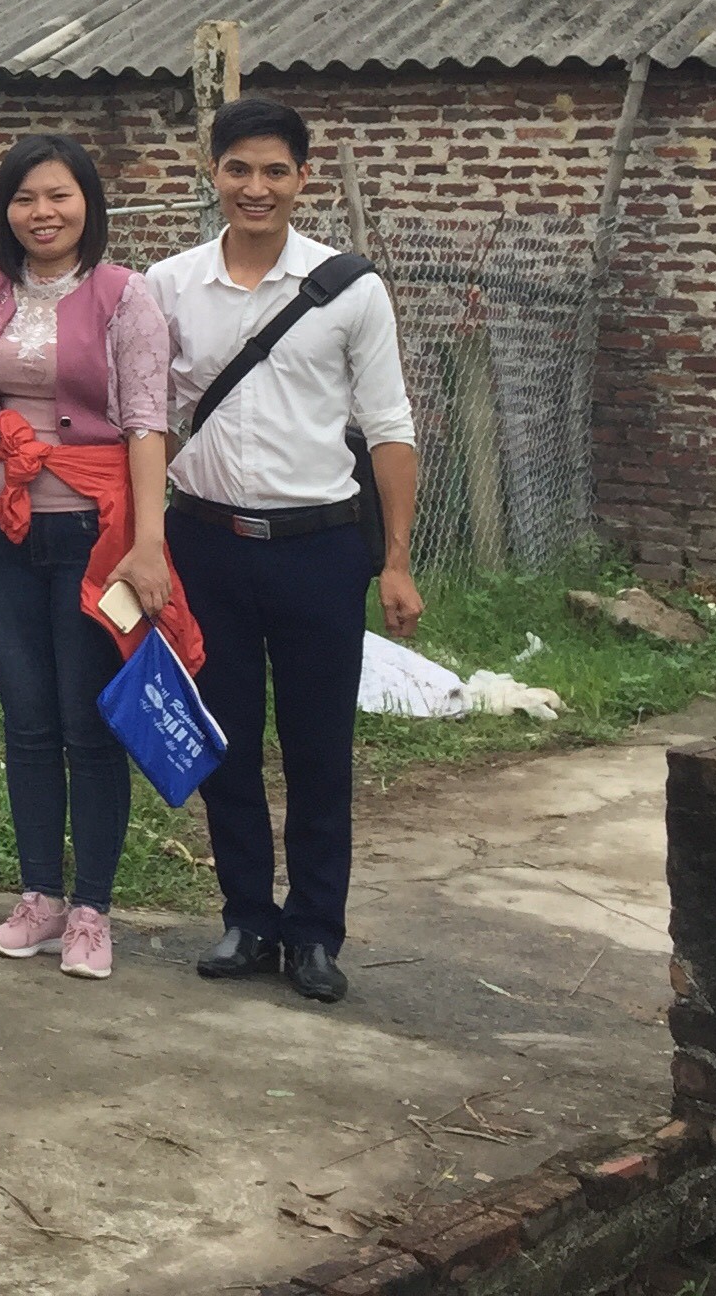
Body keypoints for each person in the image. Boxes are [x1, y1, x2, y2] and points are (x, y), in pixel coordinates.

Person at [150, 96, 421, 1007]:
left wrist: (396, 559)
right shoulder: (170, 286)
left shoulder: (352, 289)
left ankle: (313, 931)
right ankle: (245, 918)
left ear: (302, 179)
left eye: (274, 171)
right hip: (205, 544)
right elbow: (143, 420)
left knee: (317, 747)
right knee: (223, 742)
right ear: (211, 172)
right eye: (238, 170)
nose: (255, 188)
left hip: (319, 549)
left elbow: (387, 427)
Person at [0, 134, 198, 985]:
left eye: (57, 197)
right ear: (4, 211)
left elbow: (146, 424)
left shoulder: (126, 298)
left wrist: (150, 547)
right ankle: (39, 898)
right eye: (23, 199)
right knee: (27, 719)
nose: (41, 214)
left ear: (88, 202)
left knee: (91, 725)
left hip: (95, 533)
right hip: (6, 529)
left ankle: (92, 910)